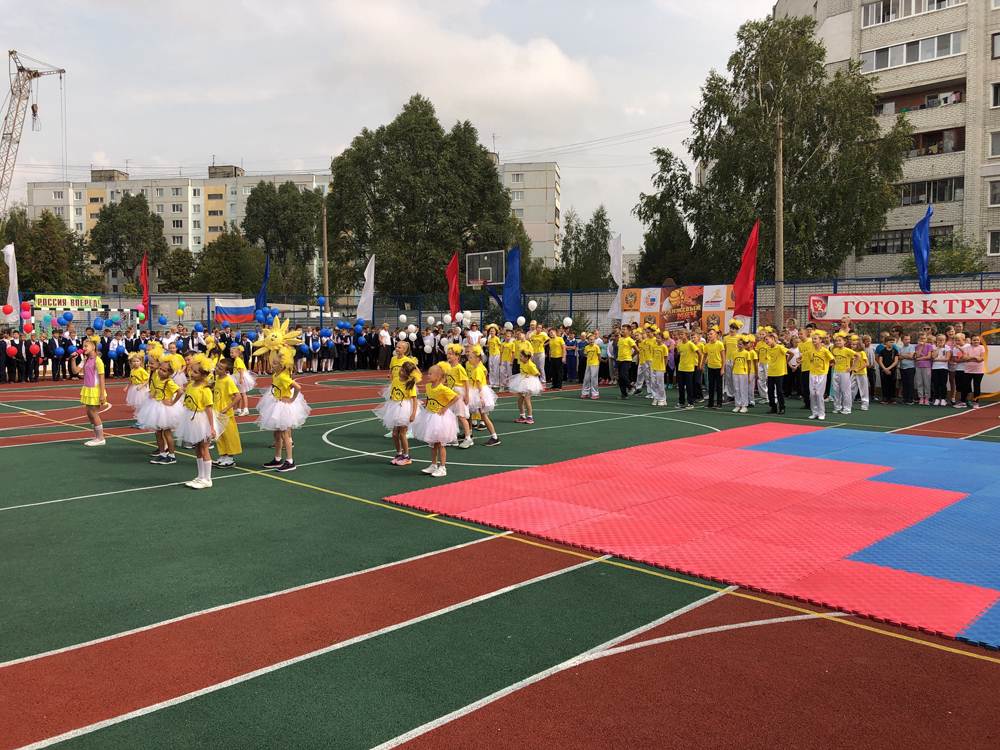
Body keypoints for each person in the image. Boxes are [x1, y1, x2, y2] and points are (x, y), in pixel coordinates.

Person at [254, 317, 311, 472]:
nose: (273, 363)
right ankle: (278, 458)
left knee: (286, 434)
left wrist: (291, 399)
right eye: (273, 362)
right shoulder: (276, 374)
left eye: (276, 362)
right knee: (277, 434)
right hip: (275, 403)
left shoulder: (284, 376)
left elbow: (298, 387)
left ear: (283, 363)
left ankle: (290, 460)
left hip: (283, 405)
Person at [174, 358, 220, 489]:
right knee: (197, 448)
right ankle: (200, 476)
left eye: (195, 372)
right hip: (191, 418)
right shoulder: (190, 386)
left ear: (204, 375)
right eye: (191, 371)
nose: (191, 374)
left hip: (202, 420)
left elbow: (209, 409)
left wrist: (211, 427)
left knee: (204, 448)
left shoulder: (205, 390)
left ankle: (207, 478)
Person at [412, 364, 459, 478]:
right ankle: (433, 465)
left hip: (440, 418)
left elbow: (456, 397)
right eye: (428, 373)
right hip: (430, 415)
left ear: (438, 376)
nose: (428, 375)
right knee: (433, 444)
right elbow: (429, 397)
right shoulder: (428, 386)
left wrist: (445, 408)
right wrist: (426, 403)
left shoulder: (443, 388)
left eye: (430, 374)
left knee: (440, 443)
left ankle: (442, 467)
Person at [375, 359, 421, 465]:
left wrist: (413, 413)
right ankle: (399, 453)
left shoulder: (410, 384)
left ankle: (406, 456)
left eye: (404, 371)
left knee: (402, 434)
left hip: (405, 408)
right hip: (395, 406)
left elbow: (414, 400)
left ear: (408, 374)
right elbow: (392, 392)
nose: (401, 372)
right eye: (401, 369)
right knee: (395, 434)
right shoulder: (395, 380)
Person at [140, 356, 184, 464]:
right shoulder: (158, 378)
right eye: (160, 369)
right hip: (156, 406)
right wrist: (153, 394)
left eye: (164, 371)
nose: (160, 371)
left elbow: (180, 392)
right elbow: (155, 389)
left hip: (165, 409)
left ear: (169, 373)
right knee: (158, 432)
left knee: (167, 432)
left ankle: (172, 455)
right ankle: (162, 453)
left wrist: (173, 402)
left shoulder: (169, 382)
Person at [75, 339, 108, 446]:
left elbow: (102, 378)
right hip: (87, 389)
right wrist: (72, 359)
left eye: (86, 346)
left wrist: (102, 394)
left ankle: (100, 438)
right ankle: (97, 436)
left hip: (96, 390)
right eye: (83, 346)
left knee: (93, 413)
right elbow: (75, 371)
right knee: (89, 414)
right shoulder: (85, 360)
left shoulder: (98, 361)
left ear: (93, 347)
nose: (84, 348)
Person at [212, 358, 244, 468]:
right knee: (219, 435)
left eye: (220, 368)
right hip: (216, 411)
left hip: (225, 413)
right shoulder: (217, 378)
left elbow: (238, 396)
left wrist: (227, 408)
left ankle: (230, 458)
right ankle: (223, 455)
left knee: (229, 435)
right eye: (217, 366)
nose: (217, 369)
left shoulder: (228, 380)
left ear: (226, 371)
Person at [466, 350, 501, 446]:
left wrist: (481, 398)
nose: (469, 359)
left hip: (478, 393)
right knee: (469, 413)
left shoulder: (477, 370)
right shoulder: (477, 368)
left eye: (471, 357)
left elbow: (479, 385)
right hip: (476, 392)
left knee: (483, 416)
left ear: (478, 359)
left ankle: (494, 437)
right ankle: (468, 433)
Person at [509, 349, 542, 424]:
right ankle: (522, 416)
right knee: (520, 399)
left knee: (527, 399)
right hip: (522, 381)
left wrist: (529, 375)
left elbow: (538, 374)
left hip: (529, 383)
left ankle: (530, 417)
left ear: (526, 358)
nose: (520, 358)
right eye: (520, 356)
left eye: (521, 356)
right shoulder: (521, 363)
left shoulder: (531, 365)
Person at [808, 332, 834, 420]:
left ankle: (821, 413)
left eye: (815, 339)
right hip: (812, 373)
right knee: (812, 394)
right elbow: (808, 359)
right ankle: (814, 413)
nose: (813, 340)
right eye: (813, 339)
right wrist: (799, 359)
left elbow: (832, 360)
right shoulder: (811, 350)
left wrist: (826, 367)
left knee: (819, 394)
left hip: (822, 374)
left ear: (820, 340)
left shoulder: (825, 350)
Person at [764, 332, 789, 415]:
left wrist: (786, 362)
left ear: (772, 339)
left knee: (779, 391)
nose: (766, 341)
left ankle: (782, 407)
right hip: (771, 372)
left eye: (767, 339)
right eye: (765, 340)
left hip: (779, 372)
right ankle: (773, 407)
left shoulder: (780, 347)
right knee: (770, 391)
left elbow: (790, 353)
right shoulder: (768, 349)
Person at [830, 333, 854, 416]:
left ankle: (847, 408)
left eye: (840, 340)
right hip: (836, 371)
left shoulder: (848, 350)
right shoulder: (834, 350)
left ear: (844, 341)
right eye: (836, 341)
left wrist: (851, 368)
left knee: (845, 391)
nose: (838, 342)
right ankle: (837, 407)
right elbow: (833, 359)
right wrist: (833, 364)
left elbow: (857, 356)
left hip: (845, 373)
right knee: (836, 391)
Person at [674, 330, 698, 409]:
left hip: (689, 369)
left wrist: (699, 364)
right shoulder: (679, 345)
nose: (680, 336)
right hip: (681, 368)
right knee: (681, 386)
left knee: (689, 387)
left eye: (682, 334)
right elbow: (679, 354)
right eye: (679, 334)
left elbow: (699, 353)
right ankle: (681, 402)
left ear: (686, 335)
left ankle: (690, 403)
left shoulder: (690, 344)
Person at [125, 353, 150, 427]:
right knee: (137, 406)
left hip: (141, 390)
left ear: (141, 362)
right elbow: (131, 379)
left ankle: (143, 421)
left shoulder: (142, 370)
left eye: (137, 361)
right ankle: (140, 420)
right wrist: (127, 387)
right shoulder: (132, 370)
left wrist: (141, 386)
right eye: (134, 361)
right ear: (131, 362)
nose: (136, 363)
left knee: (141, 405)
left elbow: (147, 379)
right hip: (134, 389)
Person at [703, 328, 725, 409]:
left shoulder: (720, 344)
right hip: (710, 367)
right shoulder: (707, 345)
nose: (709, 335)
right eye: (708, 334)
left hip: (718, 367)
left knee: (719, 386)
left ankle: (719, 403)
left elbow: (723, 357)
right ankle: (710, 403)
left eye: (711, 334)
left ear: (716, 335)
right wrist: (702, 365)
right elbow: (705, 355)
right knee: (711, 386)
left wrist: (723, 368)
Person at [731, 335, 754, 414]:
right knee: (736, 389)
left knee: (743, 389)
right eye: (738, 344)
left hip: (743, 373)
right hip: (735, 372)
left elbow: (749, 365)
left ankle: (744, 405)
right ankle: (737, 405)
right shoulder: (734, 353)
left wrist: (748, 375)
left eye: (741, 344)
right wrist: (732, 371)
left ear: (744, 345)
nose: (739, 345)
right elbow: (733, 363)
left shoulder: (746, 353)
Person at [964, 334, 986, 409]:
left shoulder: (982, 347)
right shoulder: (967, 347)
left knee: (977, 386)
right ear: (971, 340)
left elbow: (981, 359)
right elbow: (965, 358)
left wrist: (971, 358)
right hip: (968, 370)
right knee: (967, 386)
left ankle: (976, 402)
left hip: (979, 371)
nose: (976, 341)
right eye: (974, 340)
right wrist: (975, 358)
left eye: (977, 340)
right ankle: (967, 400)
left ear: (980, 341)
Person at [877, 334, 899, 404]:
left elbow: (896, 361)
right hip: (883, 370)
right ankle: (885, 398)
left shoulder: (895, 351)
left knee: (892, 384)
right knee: (884, 384)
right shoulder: (882, 351)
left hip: (892, 370)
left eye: (893, 342)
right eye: (890, 342)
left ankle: (892, 398)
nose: (892, 343)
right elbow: (880, 361)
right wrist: (885, 369)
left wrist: (889, 368)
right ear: (886, 342)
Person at [616, 326, 637, 399]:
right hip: (619, 360)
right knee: (620, 378)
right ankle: (624, 394)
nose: (622, 330)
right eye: (622, 329)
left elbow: (637, 350)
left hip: (626, 360)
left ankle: (631, 387)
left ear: (629, 331)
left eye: (624, 329)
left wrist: (631, 356)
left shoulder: (630, 340)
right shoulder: (620, 339)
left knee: (623, 375)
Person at [850, 335, 870, 411]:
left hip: (862, 374)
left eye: (854, 344)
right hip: (854, 373)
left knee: (863, 389)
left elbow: (867, 364)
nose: (852, 346)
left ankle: (865, 404)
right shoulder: (853, 353)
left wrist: (857, 370)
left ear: (858, 345)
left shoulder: (862, 353)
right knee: (850, 388)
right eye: (851, 344)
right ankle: (849, 403)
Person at [649, 332, 669, 407]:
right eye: (656, 338)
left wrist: (665, 367)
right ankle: (655, 397)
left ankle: (662, 399)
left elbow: (666, 358)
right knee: (653, 383)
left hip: (660, 368)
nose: (657, 339)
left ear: (662, 339)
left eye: (659, 338)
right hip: (653, 366)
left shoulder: (664, 347)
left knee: (660, 384)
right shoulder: (654, 346)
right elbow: (653, 356)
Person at [930, 333, 951, 406]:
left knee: (943, 384)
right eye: (939, 340)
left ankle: (943, 399)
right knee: (936, 384)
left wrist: (937, 359)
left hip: (944, 368)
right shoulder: (933, 347)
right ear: (936, 340)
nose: (941, 341)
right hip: (935, 368)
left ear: (945, 340)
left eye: (942, 340)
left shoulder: (947, 347)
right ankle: (936, 399)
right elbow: (933, 357)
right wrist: (938, 348)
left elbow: (947, 359)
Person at [898, 333, 917, 405]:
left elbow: (911, 356)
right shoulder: (900, 348)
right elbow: (899, 357)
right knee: (904, 383)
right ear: (902, 340)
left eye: (909, 339)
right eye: (906, 339)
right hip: (902, 368)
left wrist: (903, 355)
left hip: (910, 368)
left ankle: (910, 399)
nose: (908, 341)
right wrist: (907, 355)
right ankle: (905, 398)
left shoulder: (912, 347)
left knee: (910, 383)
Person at [581, 333, 601, 400]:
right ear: (588, 340)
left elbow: (599, 356)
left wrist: (598, 362)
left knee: (594, 379)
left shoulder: (596, 347)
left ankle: (595, 394)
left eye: (592, 340)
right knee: (586, 378)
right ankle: (585, 393)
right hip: (588, 364)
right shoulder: (586, 347)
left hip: (595, 364)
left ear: (594, 340)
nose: (591, 341)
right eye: (590, 340)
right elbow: (585, 355)